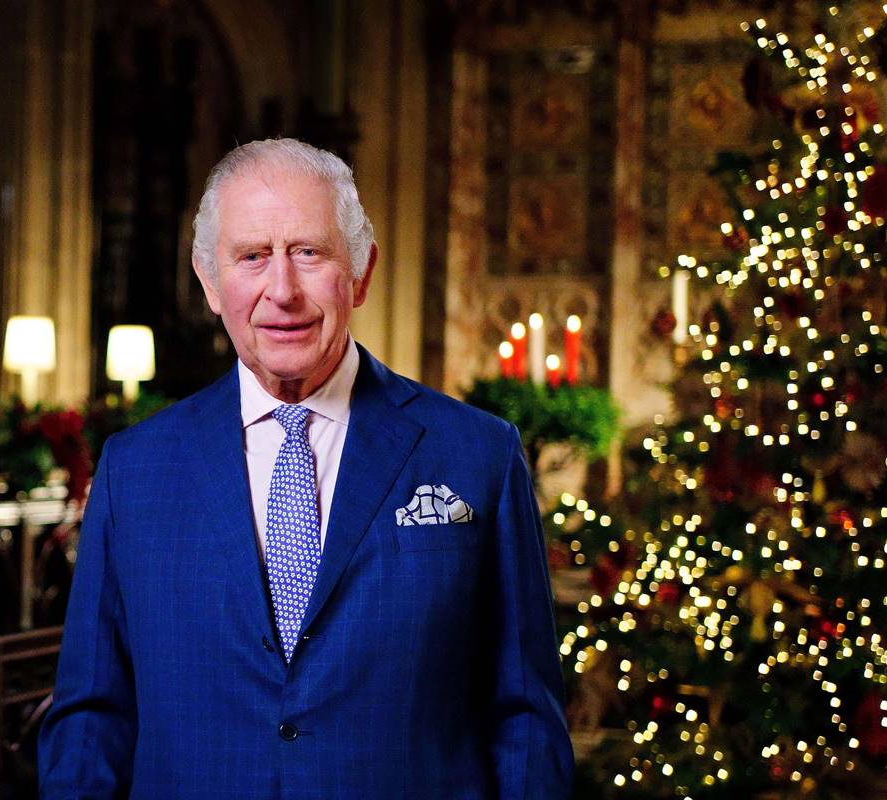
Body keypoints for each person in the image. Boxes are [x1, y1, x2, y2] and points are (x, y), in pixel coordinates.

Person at [39, 138, 573, 799]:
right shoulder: (134, 469)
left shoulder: (478, 455)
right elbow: (92, 718)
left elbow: (525, 718)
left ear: (363, 272)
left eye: (309, 253)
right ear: (209, 280)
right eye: (252, 256)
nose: (282, 290)